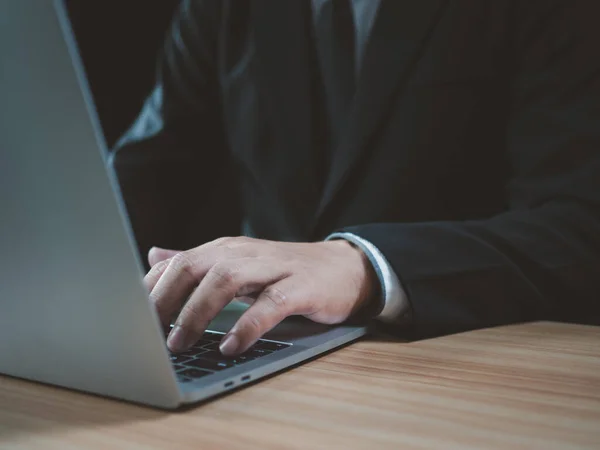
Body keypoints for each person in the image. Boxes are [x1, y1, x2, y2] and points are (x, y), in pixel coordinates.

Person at [111, 0, 600, 357]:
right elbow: (145, 173)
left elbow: (579, 227)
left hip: (458, 358)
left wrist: (366, 267)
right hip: (260, 351)